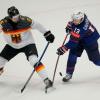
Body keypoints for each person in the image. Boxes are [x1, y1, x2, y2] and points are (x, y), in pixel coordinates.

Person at [0, 6, 55, 89]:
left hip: (27, 44)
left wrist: (47, 33)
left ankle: (46, 79)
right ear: (10, 17)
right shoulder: (3, 23)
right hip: (12, 46)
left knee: (34, 60)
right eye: (14, 17)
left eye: (18, 16)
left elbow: (38, 25)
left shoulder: (25, 20)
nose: (17, 18)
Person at [57, 11, 100, 82]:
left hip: (90, 42)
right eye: (74, 19)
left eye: (76, 20)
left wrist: (63, 48)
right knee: (72, 54)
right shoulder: (82, 17)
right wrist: (69, 25)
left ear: (81, 19)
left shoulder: (81, 28)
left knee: (96, 61)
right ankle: (69, 73)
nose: (74, 21)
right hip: (80, 39)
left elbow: (73, 42)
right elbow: (72, 23)